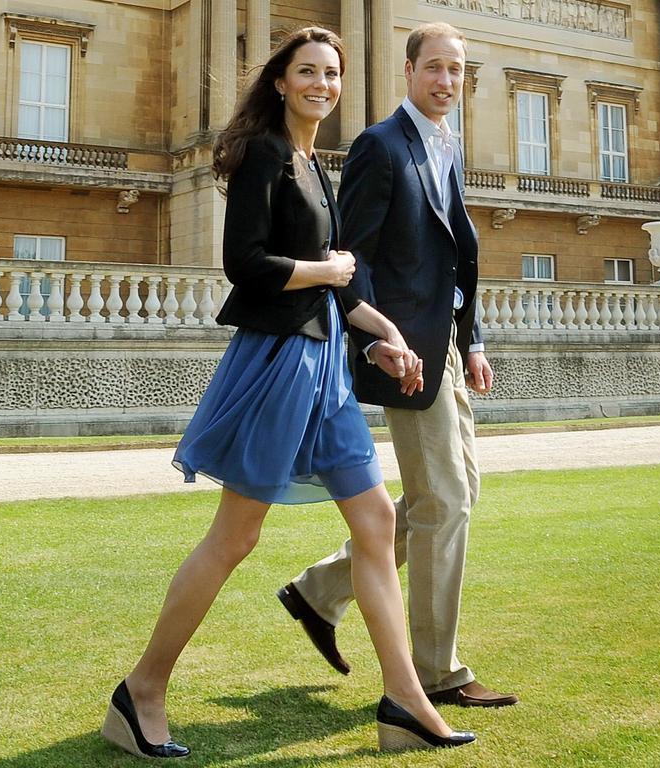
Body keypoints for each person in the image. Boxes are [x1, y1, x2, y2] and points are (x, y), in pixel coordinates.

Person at [100, 27, 476, 759]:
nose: (323, 85)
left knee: (374, 523)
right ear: (280, 81)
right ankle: (141, 690)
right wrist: (331, 276)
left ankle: (405, 700)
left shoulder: (314, 162)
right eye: (308, 72)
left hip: (328, 361)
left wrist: (383, 334)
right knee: (235, 536)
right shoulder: (266, 154)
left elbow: (336, 284)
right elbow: (246, 264)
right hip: (278, 363)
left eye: (332, 74)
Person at [278, 22, 519, 709]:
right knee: (445, 502)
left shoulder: (448, 147)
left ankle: (318, 591)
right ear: (409, 72)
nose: (447, 82)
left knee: (445, 496)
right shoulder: (382, 146)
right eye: (435, 69)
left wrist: (471, 340)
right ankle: (437, 673)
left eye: (457, 71)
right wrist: (380, 339)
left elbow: (455, 257)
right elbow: (355, 259)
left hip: (443, 344)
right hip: (404, 351)